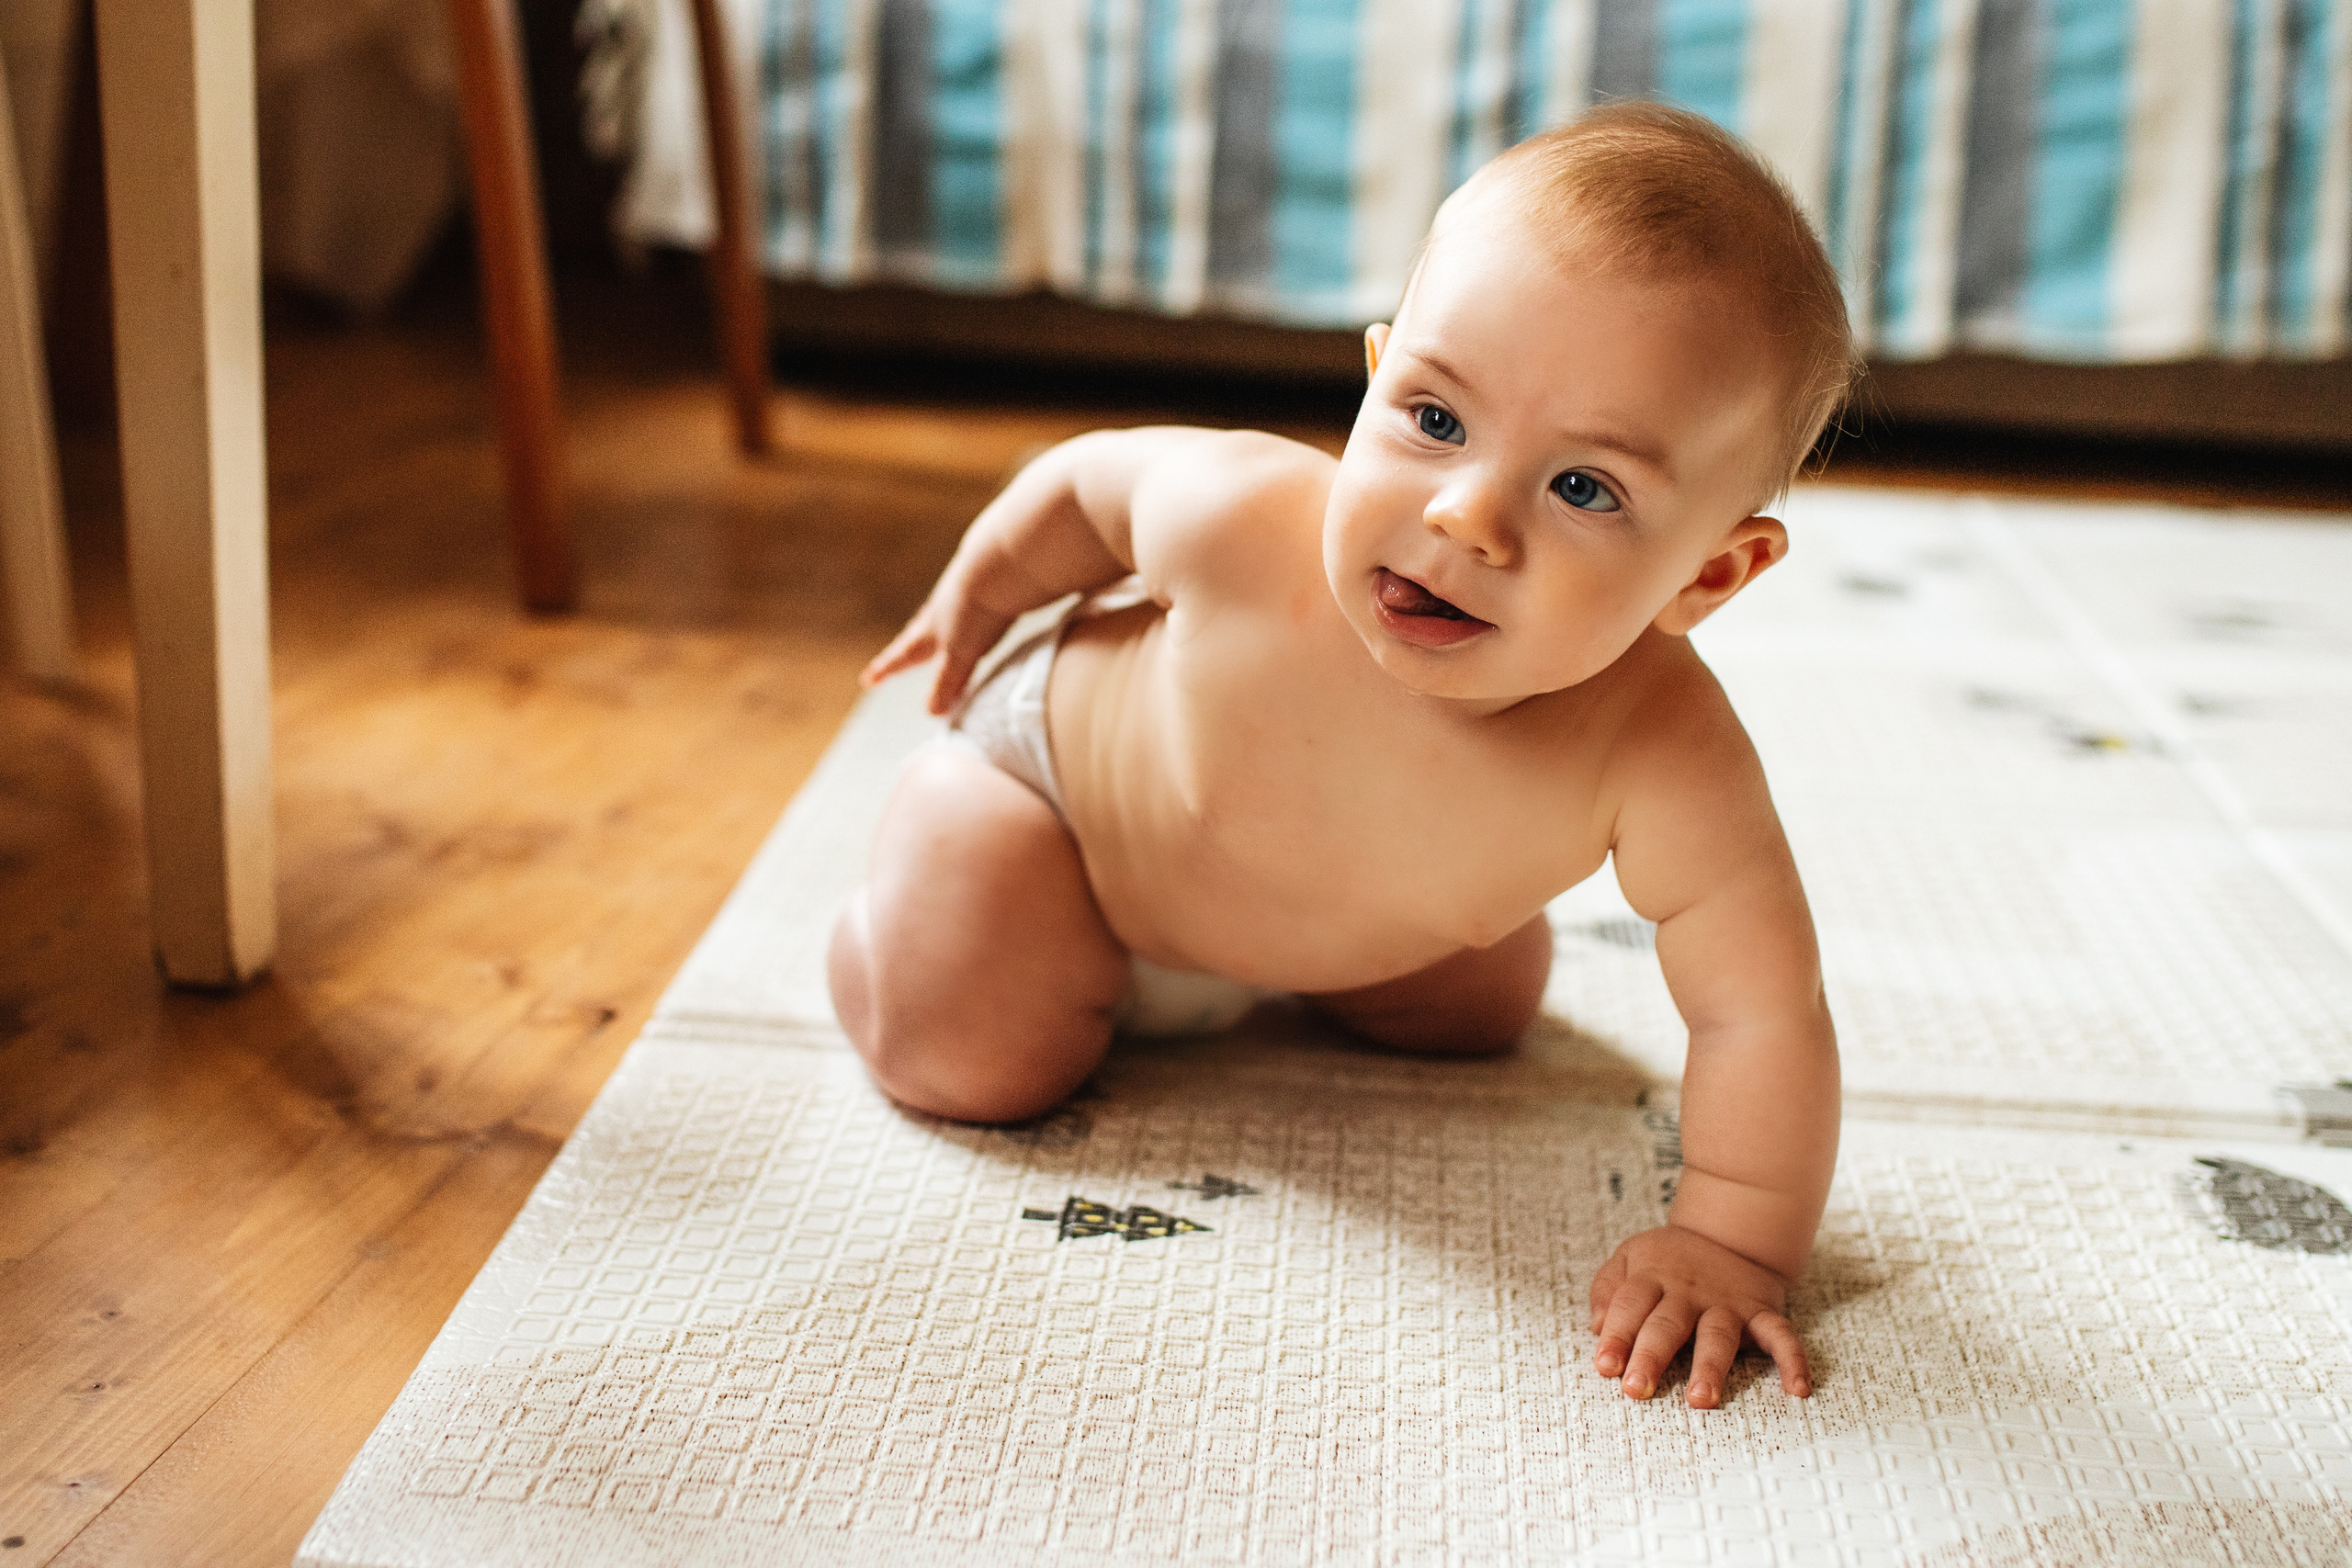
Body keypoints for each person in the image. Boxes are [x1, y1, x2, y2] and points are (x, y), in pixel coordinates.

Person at [829, 102, 1850, 1411]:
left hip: (1338, 920)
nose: (1465, 517)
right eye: (1434, 416)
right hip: (1063, 818)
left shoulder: (1669, 752)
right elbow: (1089, 487)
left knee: (1485, 1008)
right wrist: (979, 599)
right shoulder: (1244, 521)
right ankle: (879, 927)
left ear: (1710, 572)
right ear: (1376, 376)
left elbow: (1759, 1008)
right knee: (969, 1056)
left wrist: (1729, 1239)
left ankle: (1288, 976)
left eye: (1583, 488)